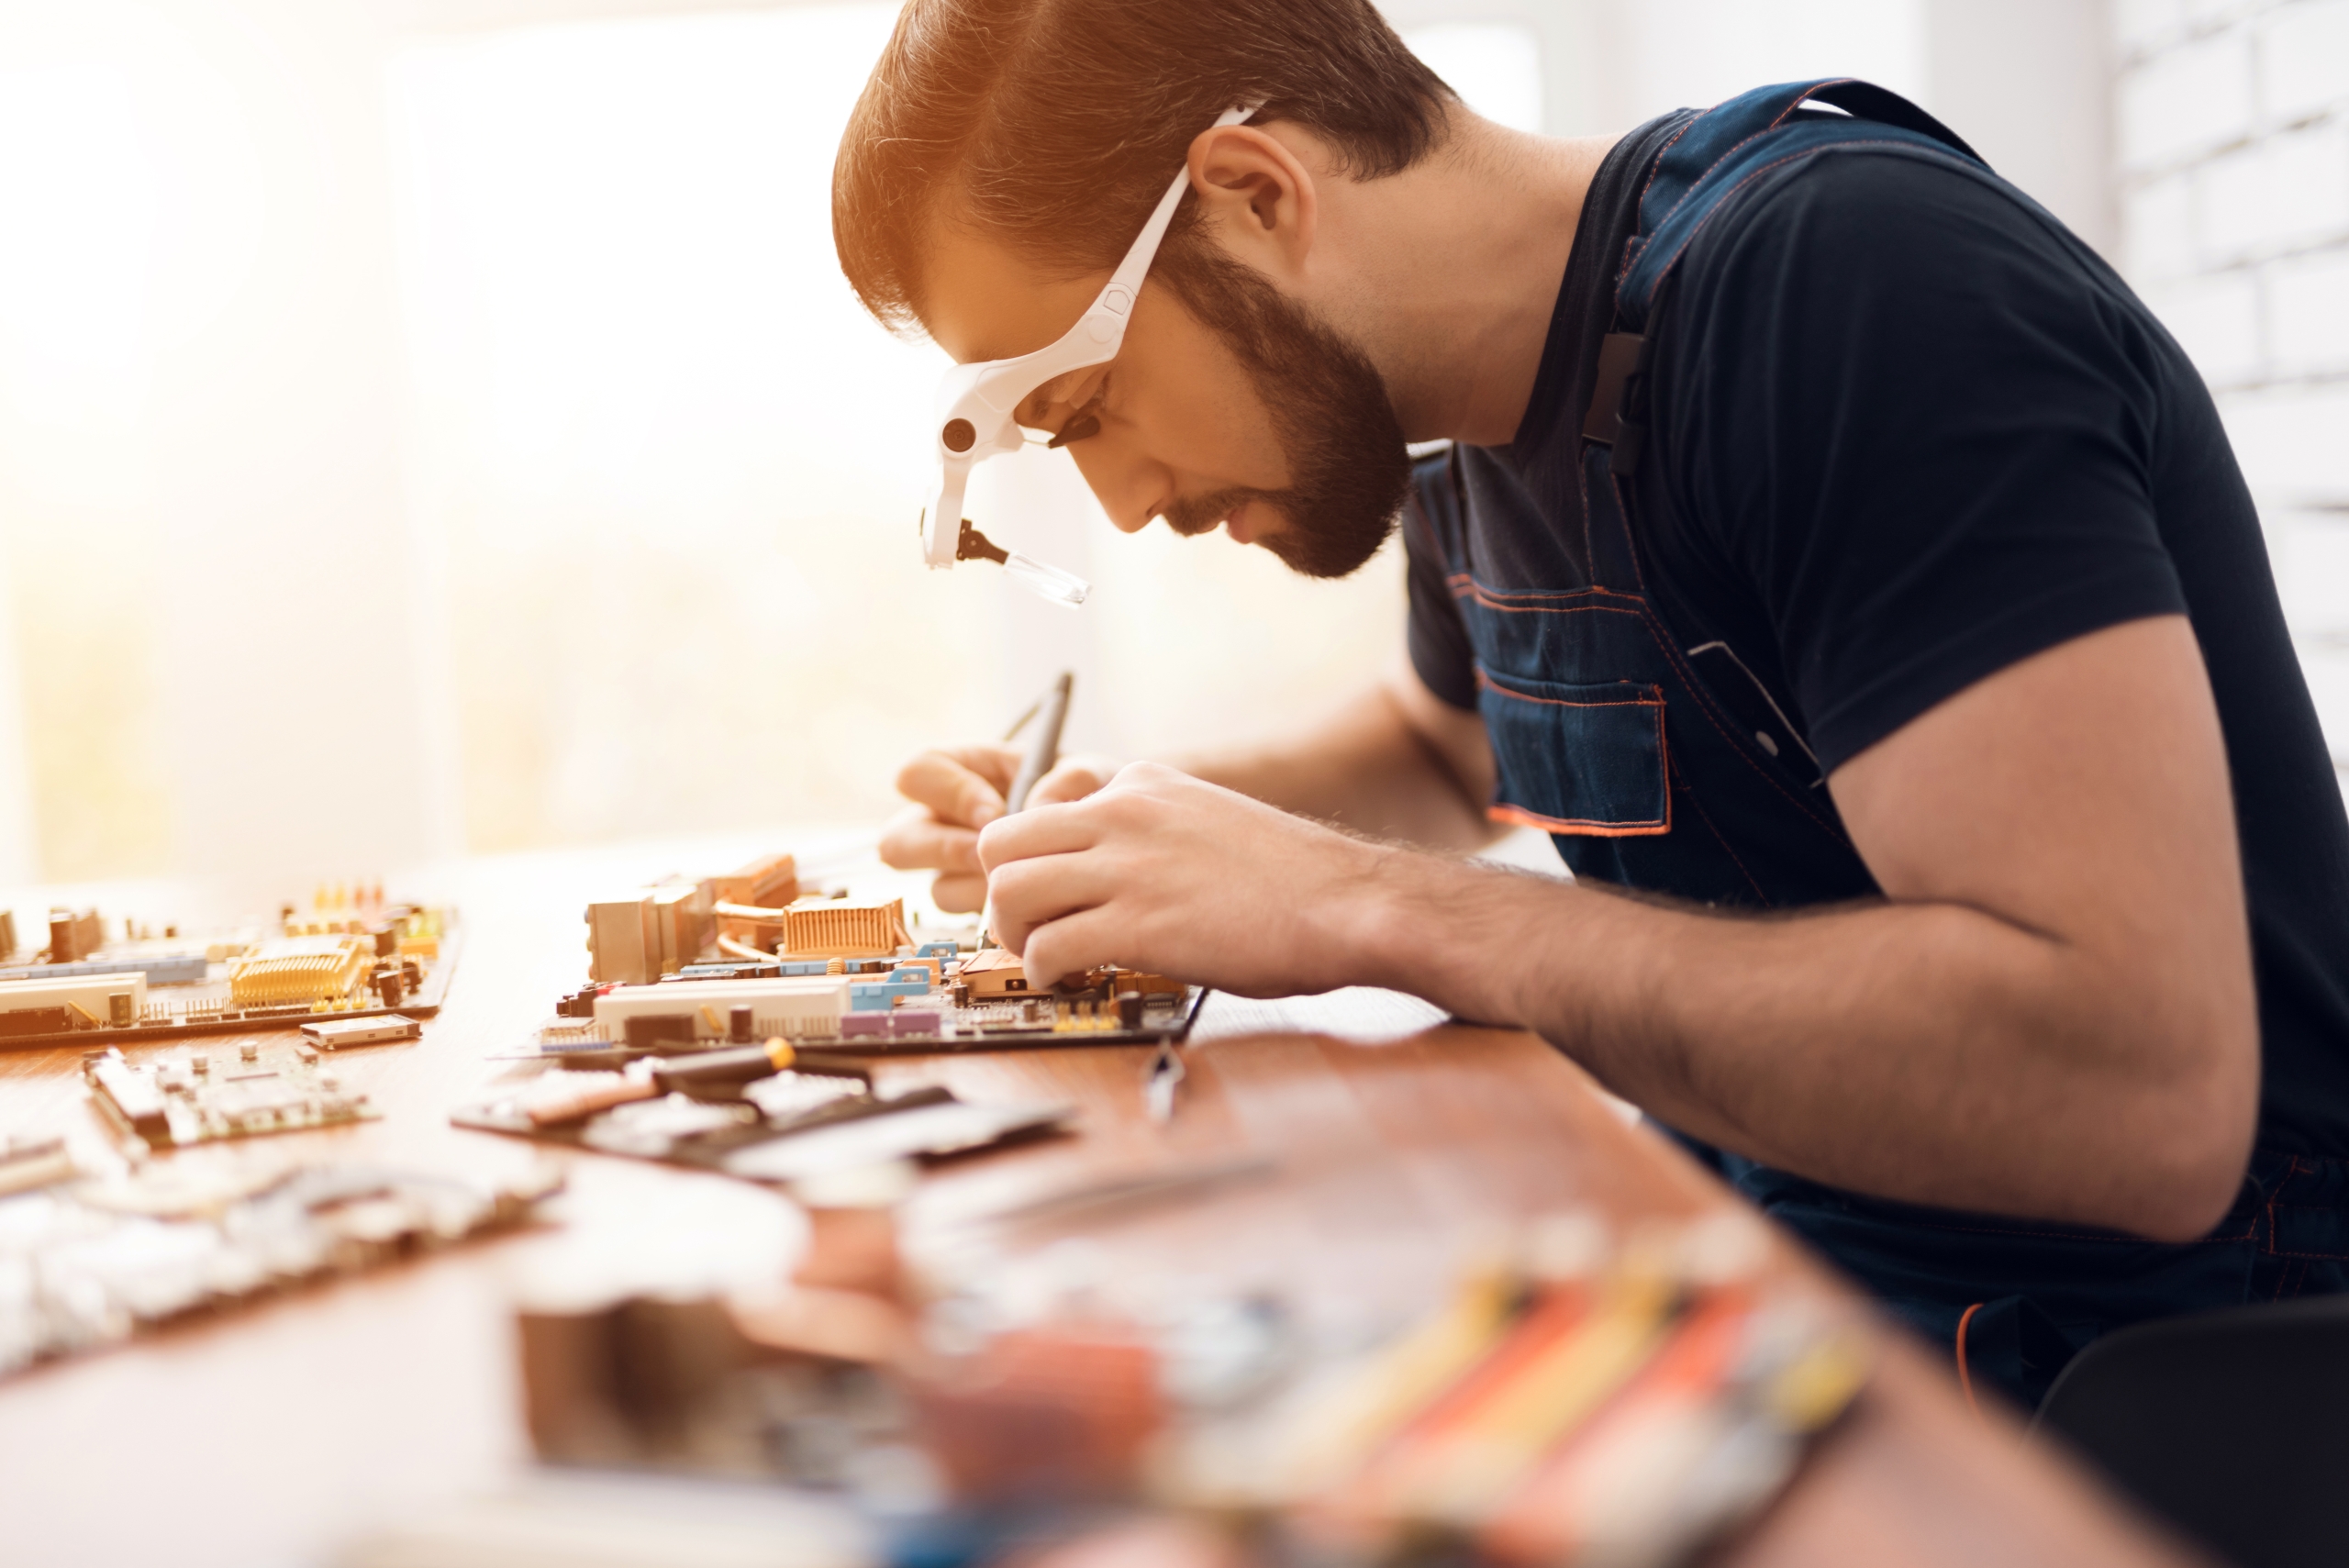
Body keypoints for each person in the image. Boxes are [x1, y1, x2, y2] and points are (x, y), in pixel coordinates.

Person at [830, 0, 2349, 1406]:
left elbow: (2139, 1098)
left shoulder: (1849, 292)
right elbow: (1444, 749)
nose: (1126, 495)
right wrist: (1127, 836)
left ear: (1255, 193)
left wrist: (1376, 907)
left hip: (2140, 1375)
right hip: (1780, 1265)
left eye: (1085, 406)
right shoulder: (1461, 423)